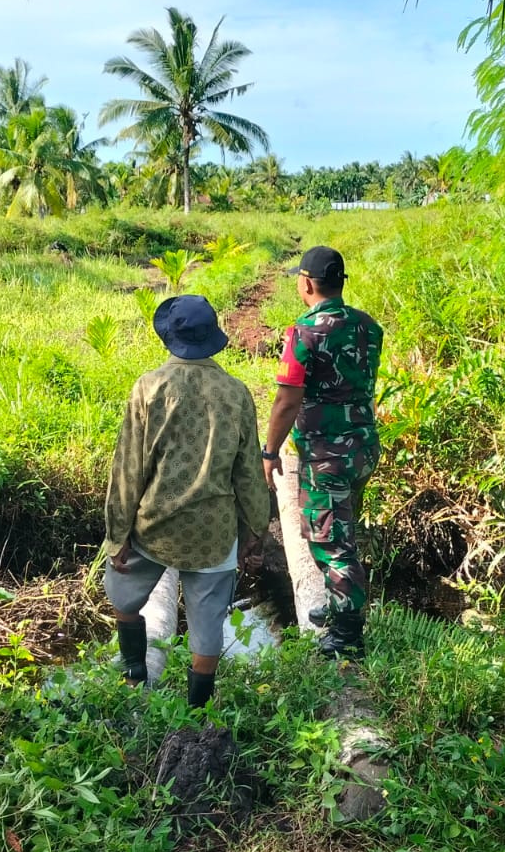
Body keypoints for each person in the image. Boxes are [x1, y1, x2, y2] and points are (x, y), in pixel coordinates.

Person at [104, 294, 270, 708]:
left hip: (154, 525)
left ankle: (134, 674)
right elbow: (248, 470)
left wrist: (117, 534)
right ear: (212, 338)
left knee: (124, 597)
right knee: (208, 620)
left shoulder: (150, 387)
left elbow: (128, 467)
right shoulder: (235, 392)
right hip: (213, 531)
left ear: (170, 339)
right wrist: (256, 529)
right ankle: (197, 710)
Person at [262, 246, 384, 658]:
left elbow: (286, 400)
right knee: (343, 529)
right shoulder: (369, 327)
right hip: (363, 448)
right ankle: (337, 607)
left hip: (327, 455)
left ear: (307, 283)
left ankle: (347, 638)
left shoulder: (303, 333)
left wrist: (270, 450)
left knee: (331, 542)